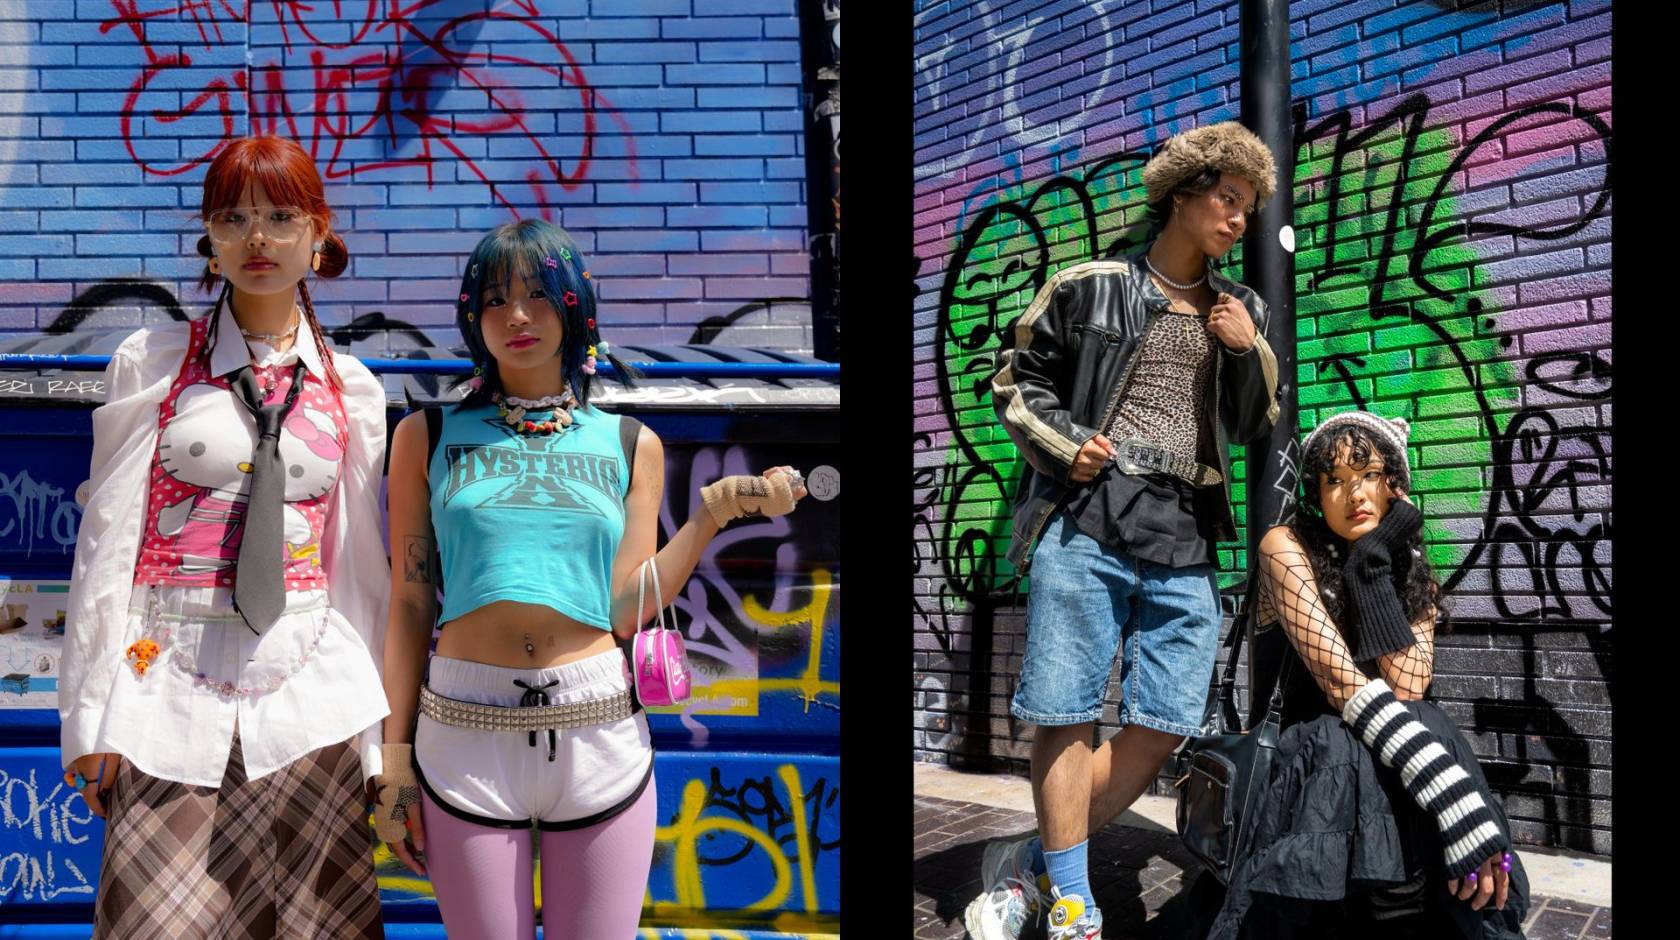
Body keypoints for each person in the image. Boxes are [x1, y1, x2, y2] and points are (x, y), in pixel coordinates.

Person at [371, 218, 808, 939]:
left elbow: (625, 607)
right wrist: (393, 762)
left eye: (539, 296)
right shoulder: (428, 435)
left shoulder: (630, 443)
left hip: (597, 723)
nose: (516, 316)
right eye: (495, 299)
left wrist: (706, 519)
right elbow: (412, 600)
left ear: (575, 306)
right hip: (462, 730)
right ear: (471, 316)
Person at [57, 134, 391, 937]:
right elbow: (107, 545)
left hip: (312, 703)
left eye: (281, 217)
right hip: (163, 694)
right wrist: (87, 717)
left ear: (319, 232)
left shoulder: (352, 388)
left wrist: (378, 745)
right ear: (208, 237)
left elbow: (363, 575)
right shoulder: (156, 361)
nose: (259, 239)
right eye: (233, 218)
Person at [970, 121, 1283, 940]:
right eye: (1227, 199)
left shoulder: (1240, 310)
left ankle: (1037, 863)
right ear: (1182, 195)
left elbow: (1255, 425)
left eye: (1248, 208)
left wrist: (1246, 354)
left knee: (1169, 717)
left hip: (1185, 527)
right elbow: (1015, 380)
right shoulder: (1091, 285)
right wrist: (1066, 446)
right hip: (1090, 516)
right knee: (1067, 708)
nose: (1237, 218)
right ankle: (1073, 902)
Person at [1199, 410, 1528, 938]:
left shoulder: (1412, 567)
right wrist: (1453, 797)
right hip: (1310, 765)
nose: (1354, 494)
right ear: (1316, 492)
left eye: (1369, 475)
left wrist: (1372, 561)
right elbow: (1340, 684)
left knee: (1424, 717)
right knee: (1344, 739)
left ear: (1393, 485)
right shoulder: (1284, 548)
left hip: (1389, 757)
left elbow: (1407, 686)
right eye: (1335, 480)